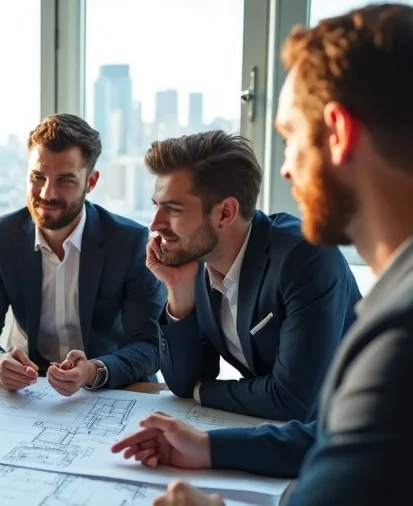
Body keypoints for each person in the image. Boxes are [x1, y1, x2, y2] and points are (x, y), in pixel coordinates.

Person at [111, 5, 413, 506]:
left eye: (290, 138)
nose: (285, 171)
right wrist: (210, 447)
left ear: (337, 132)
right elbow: (355, 445)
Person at [144, 130, 360, 421]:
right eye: (156, 205)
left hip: (354, 431)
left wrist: (203, 392)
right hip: (279, 430)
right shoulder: (197, 262)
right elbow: (183, 383)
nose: (155, 223)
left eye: (173, 209)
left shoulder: (306, 257)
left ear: (225, 213)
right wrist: (177, 290)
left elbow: (293, 400)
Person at [0, 113, 165, 395]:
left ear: (90, 182)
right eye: (38, 177)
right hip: (30, 390)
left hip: (108, 389)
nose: (47, 193)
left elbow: (151, 344)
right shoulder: (1, 236)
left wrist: (94, 371)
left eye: (65, 180)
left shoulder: (129, 242)